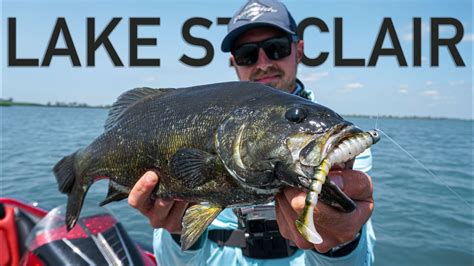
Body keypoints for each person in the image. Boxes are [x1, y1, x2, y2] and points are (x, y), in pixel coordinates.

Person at [128, 0, 376, 265]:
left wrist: (342, 241)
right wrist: (175, 233)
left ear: (299, 50)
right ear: (234, 62)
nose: (263, 63)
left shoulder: (330, 137)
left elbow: (360, 260)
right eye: (247, 54)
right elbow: (172, 262)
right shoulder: (199, 124)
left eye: (276, 48)